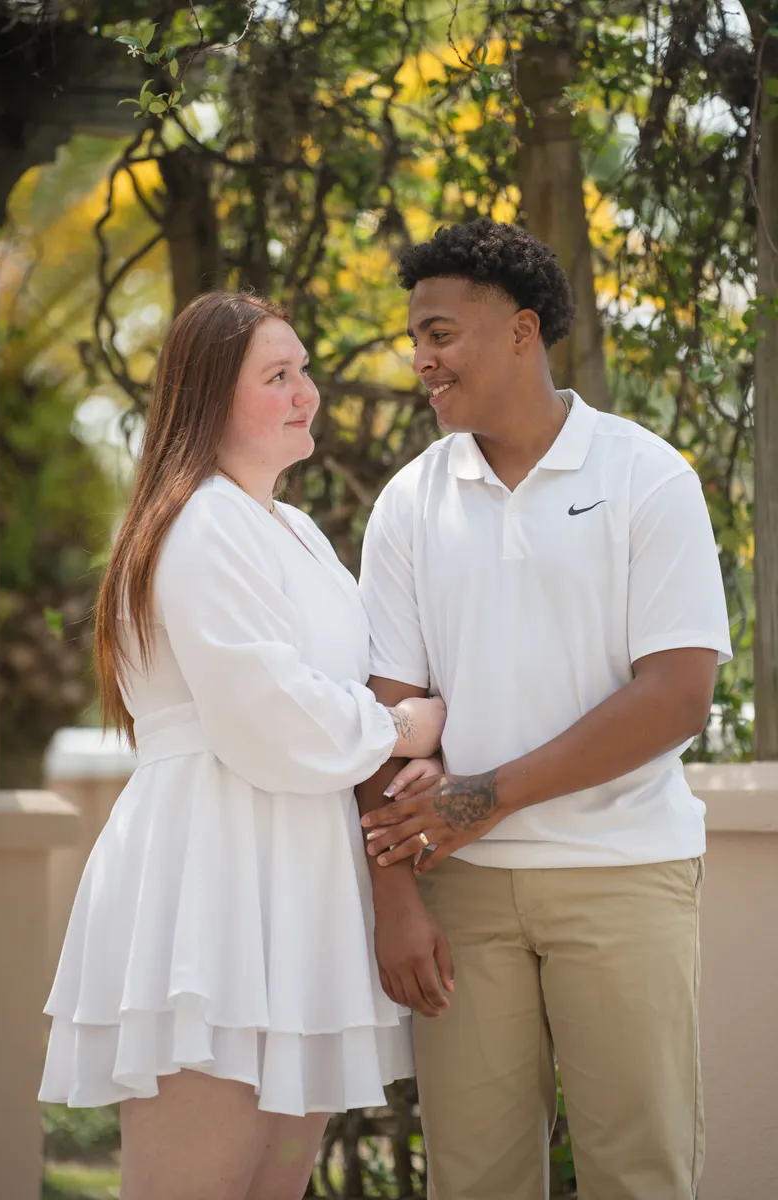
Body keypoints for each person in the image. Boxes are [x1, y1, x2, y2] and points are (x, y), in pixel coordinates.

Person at [39, 291, 446, 1200]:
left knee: (272, 1184)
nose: (306, 392)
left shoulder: (293, 531)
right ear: (209, 398)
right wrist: (402, 725)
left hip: (294, 879)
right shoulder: (199, 521)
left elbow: (333, 686)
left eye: (303, 371)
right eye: (277, 376)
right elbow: (270, 715)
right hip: (211, 878)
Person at [355, 218, 732, 1200]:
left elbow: (675, 695)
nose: (421, 359)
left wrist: (484, 796)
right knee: (472, 1183)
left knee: (638, 1175)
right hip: (458, 893)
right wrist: (395, 897)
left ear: (521, 330)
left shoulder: (645, 476)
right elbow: (385, 713)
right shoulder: (407, 502)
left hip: (623, 877)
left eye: (439, 333)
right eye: (415, 339)